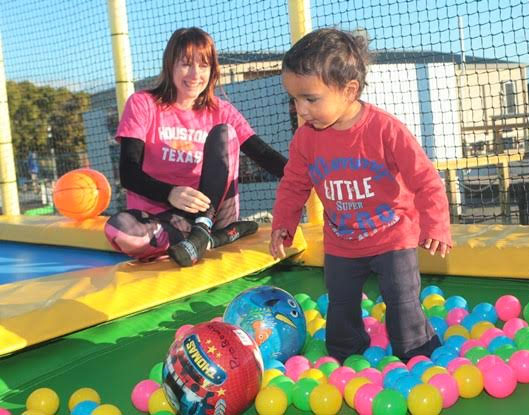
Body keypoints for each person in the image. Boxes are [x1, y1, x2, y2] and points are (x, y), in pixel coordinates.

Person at [269, 28, 452, 363]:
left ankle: (418, 352)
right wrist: (284, 223)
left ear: (349, 91)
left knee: (402, 298)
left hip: (392, 235)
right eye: (294, 100)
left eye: (310, 99)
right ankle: (345, 354)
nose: (300, 110)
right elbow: (294, 183)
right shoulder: (306, 139)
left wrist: (436, 224)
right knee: (340, 302)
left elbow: (425, 178)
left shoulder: (385, 130)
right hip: (342, 240)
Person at [105, 27, 287, 267]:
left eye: (203, 65)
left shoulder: (222, 110)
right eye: (186, 64)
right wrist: (171, 193)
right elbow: (128, 173)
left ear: (212, 70)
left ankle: (205, 230)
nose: (194, 74)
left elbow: (262, 154)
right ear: (170, 65)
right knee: (118, 230)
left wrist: (313, 176)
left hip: (214, 212)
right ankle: (210, 239)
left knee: (225, 133)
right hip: (164, 216)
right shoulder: (143, 104)